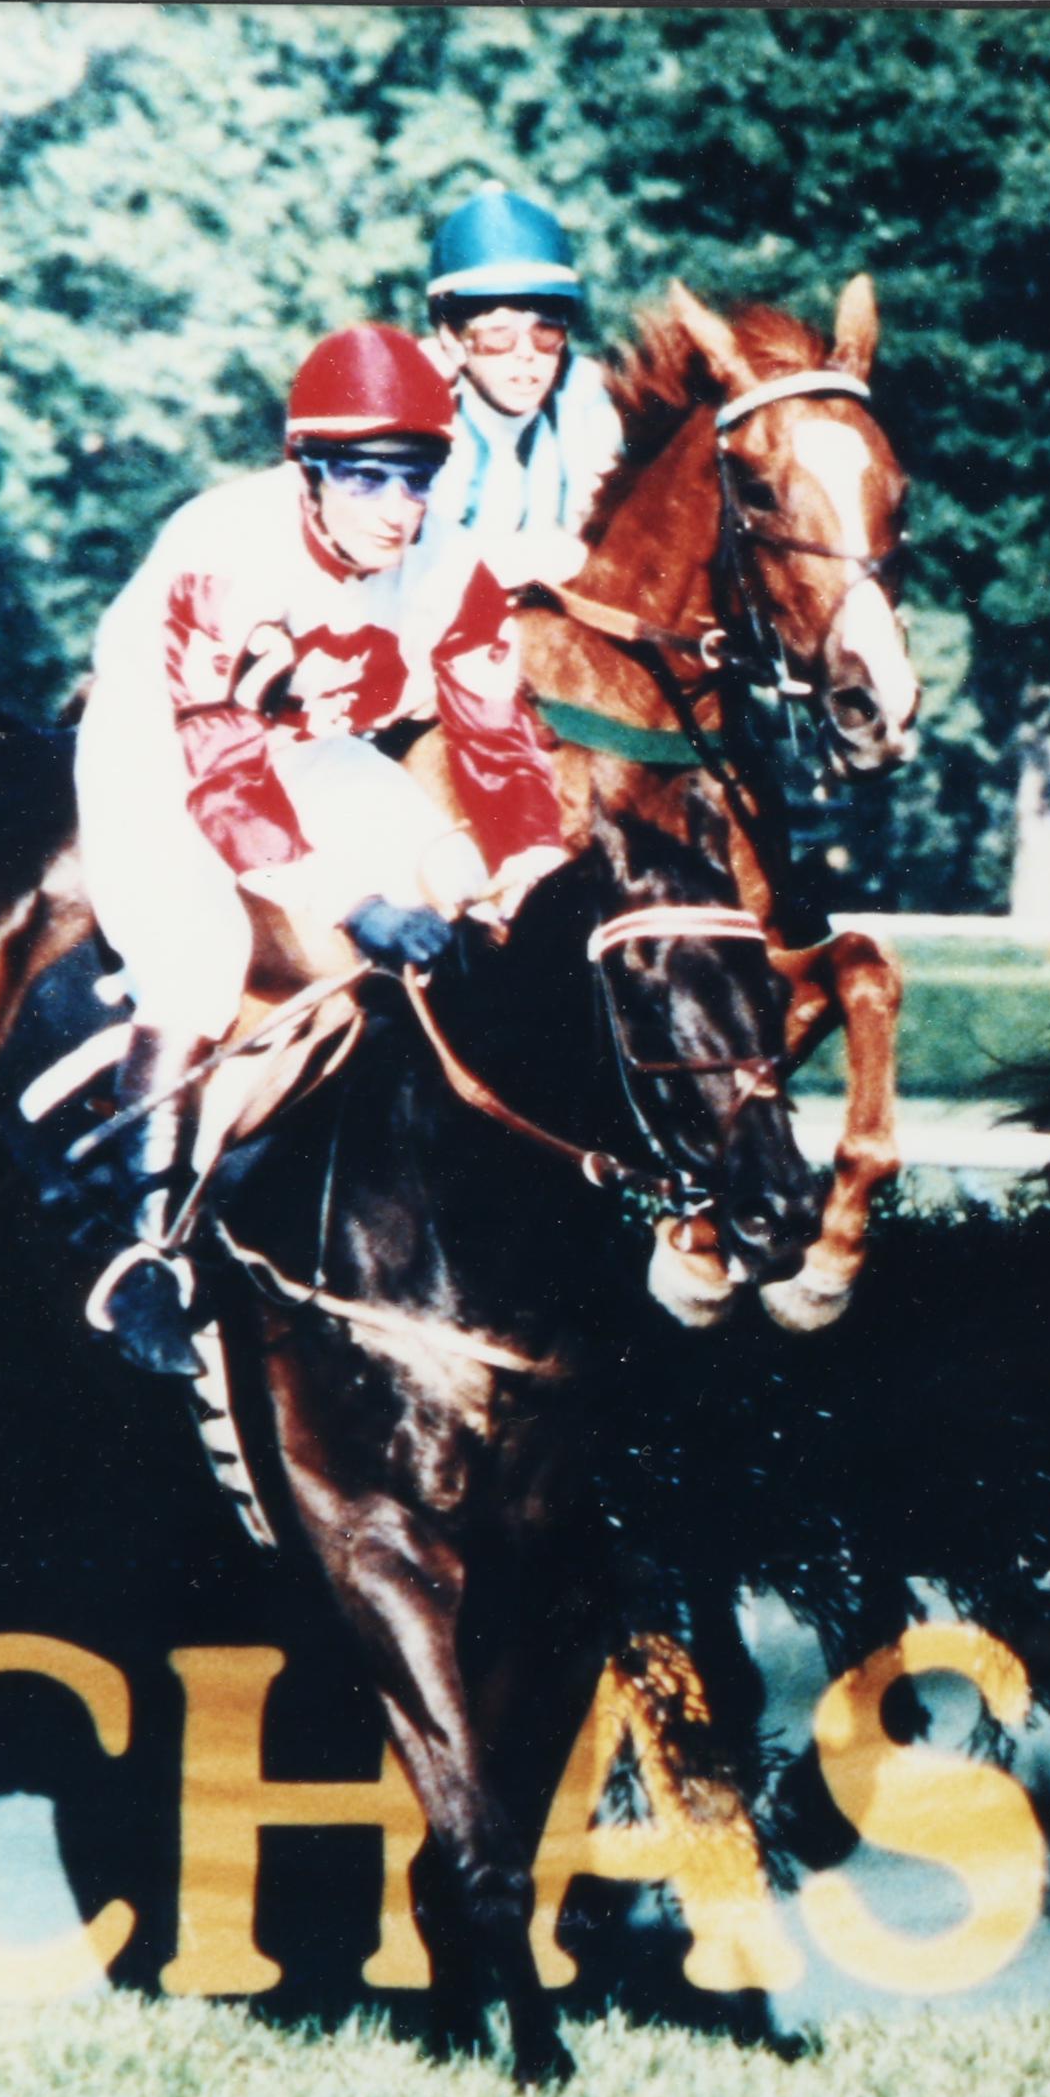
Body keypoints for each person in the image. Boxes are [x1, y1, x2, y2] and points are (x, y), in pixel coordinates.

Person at [70, 323, 571, 1374]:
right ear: (308, 472)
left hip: (308, 748)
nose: (402, 508)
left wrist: (532, 861)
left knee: (463, 873)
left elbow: (499, 737)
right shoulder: (224, 552)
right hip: (162, 752)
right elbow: (223, 780)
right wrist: (353, 903)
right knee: (201, 960)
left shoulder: (448, 560)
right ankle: (141, 1248)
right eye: (369, 479)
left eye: (421, 476)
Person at [420, 187, 623, 593]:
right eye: (499, 337)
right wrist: (525, 558)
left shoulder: (587, 401)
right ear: (453, 340)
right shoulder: (421, 412)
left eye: (546, 334)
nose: (526, 355)